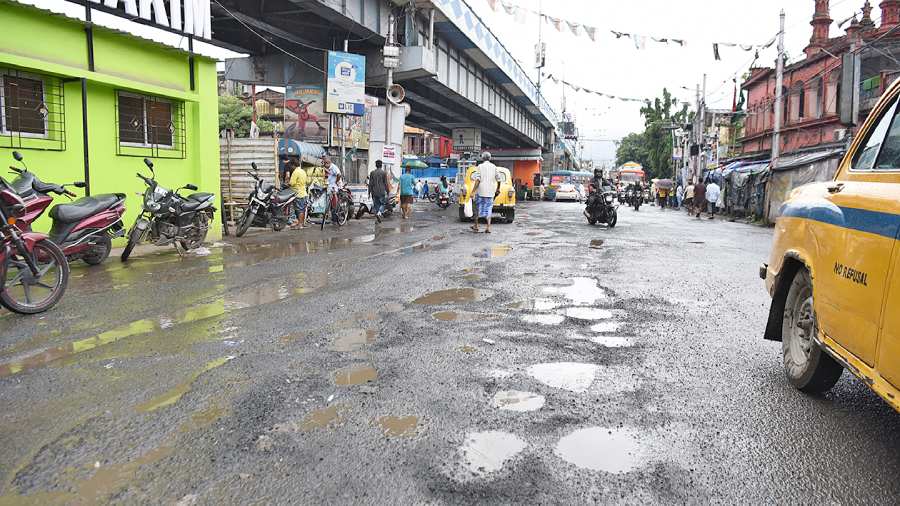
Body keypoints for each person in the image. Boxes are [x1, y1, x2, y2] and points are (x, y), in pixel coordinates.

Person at [470, 151, 501, 234]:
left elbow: (478, 180)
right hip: (490, 192)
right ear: (490, 158)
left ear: (482, 158)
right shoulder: (494, 167)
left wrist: (473, 192)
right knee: (488, 209)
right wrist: (498, 189)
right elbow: (499, 179)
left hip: (480, 192)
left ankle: (476, 226)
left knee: (476, 208)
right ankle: (488, 228)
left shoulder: (480, 166)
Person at [287, 159, 308, 229]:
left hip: (298, 193)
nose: (290, 167)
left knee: (299, 210)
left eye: (291, 166)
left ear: (293, 165)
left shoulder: (295, 172)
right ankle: (300, 223)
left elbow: (291, 183)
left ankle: (300, 224)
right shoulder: (303, 171)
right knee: (302, 210)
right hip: (304, 193)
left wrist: (288, 182)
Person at [323, 155, 343, 224]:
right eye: (325, 163)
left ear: (330, 162)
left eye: (327, 163)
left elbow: (339, 175)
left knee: (334, 202)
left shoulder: (334, 167)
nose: (325, 164)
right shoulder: (325, 167)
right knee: (329, 202)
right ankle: (329, 215)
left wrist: (336, 181)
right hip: (329, 185)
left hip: (335, 185)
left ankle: (335, 218)